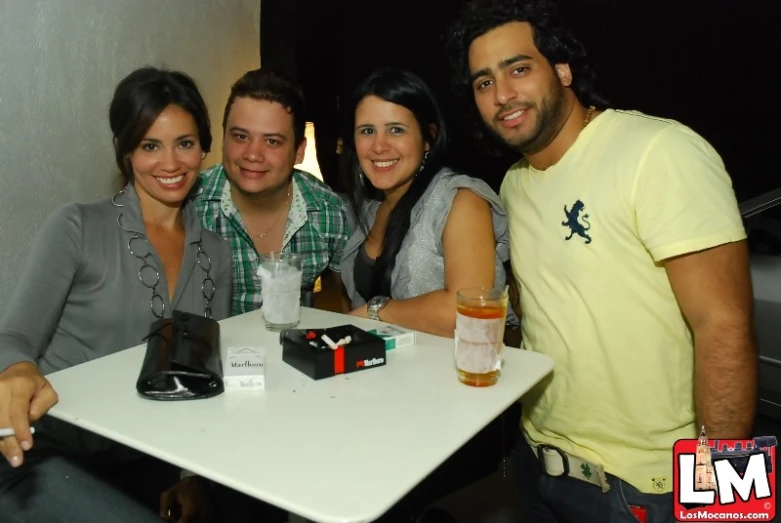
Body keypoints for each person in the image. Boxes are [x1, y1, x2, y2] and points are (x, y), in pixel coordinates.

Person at [445, 0, 757, 521]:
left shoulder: (659, 149)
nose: (502, 95)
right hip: (535, 459)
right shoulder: (515, 185)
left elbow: (727, 329)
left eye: (519, 68)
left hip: (645, 486)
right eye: (483, 82)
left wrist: (723, 507)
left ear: (562, 70)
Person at [0, 67, 233, 522]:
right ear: (126, 152)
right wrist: (17, 371)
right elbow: (14, 339)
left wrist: (191, 475)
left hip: (145, 459)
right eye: (150, 145)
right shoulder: (76, 227)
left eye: (184, 143)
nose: (170, 163)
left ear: (204, 148)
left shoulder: (216, 253)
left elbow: (205, 380)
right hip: (47, 454)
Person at [340, 68, 516, 337]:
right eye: (367, 131)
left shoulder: (460, 201)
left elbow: (468, 313)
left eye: (396, 130)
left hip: (451, 374)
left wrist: (375, 311)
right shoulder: (370, 208)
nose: (378, 146)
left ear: (428, 138)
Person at [194, 67, 351, 316]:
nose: (253, 154)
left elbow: (347, 307)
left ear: (299, 151)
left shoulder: (329, 212)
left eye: (272, 141)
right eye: (241, 136)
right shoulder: (190, 206)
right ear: (223, 139)